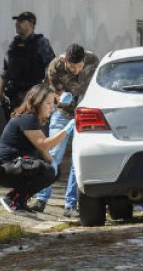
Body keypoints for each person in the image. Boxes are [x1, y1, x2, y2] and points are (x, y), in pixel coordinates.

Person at [28, 43, 100, 217]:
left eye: (79, 66)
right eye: (72, 66)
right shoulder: (55, 66)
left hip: (84, 114)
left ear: (84, 60)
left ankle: (70, 205)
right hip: (63, 113)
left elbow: (97, 86)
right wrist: (62, 98)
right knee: (52, 155)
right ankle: (41, 199)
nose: (76, 70)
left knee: (77, 159)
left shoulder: (93, 60)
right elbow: (55, 93)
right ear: (66, 60)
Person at [0, 84, 73, 212]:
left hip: (14, 167)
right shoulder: (28, 118)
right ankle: (11, 198)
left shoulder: (34, 119)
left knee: (52, 171)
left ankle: (20, 201)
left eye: (53, 103)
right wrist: (67, 129)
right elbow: (44, 145)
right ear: (37, 102)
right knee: (44, 169)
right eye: (48, 104)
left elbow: (42, 150)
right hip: (5, 170)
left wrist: (53, 165)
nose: (52, 108)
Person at [0, 11, 55, 120]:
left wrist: (42, 90)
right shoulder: (14, 44)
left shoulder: (40, 43)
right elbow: (6, 70)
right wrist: (0, 92)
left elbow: (51, 68)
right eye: (17, 21)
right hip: (14, 95)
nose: (17, 24)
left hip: (32, 94)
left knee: (30, 126)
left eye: (21, 21)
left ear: (31, 24)